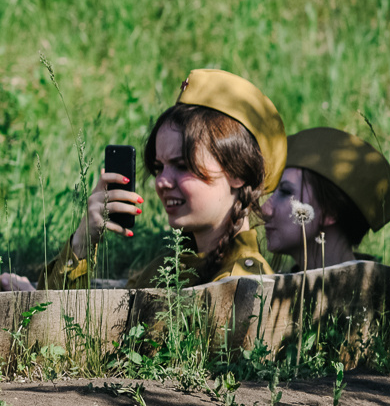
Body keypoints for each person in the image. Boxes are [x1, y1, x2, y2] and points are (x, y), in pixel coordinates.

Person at [46, 68, 284, 290]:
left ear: (238, 173)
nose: (161, 182)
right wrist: (82, 241)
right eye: (159, 167)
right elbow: (59, 326)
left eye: (182, 165)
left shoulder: (243, 284)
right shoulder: (166, 269)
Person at [263, 127, 390, 272]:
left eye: (285, 192)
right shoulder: (278, 292)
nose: (265, 209)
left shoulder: (384, 293)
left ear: (330, 211)